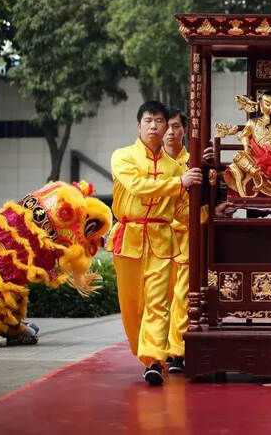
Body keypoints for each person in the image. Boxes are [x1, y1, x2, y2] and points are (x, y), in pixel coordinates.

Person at [108, 101, 203, 386]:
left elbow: (180, 211)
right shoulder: (122, 157)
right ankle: (144, 352)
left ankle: (153, 360)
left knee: (159, 303)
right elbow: (137, 186)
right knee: (132, 305)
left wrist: (209, 204)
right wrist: (180, 184)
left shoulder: (174, 168)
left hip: (161, 241)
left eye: (159, 121)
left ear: (166, 127)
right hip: (130, 239)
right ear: (138, 126)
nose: (154, 126)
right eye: (148, 120)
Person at [163, 108, 190, 375]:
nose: (171, 132)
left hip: (184, 238)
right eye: (167, 126)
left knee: (181, 297)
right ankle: (157, 351)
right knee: (160, 297)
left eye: (175, 126)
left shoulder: (193, 163)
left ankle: (177, 352)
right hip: (156, 240)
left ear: (185, 130)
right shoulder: (152, 164)